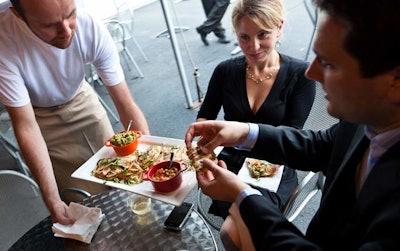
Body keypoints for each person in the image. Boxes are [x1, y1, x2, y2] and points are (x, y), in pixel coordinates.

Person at [185, 0, 400, 249]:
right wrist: (244, 131)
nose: (312, 73)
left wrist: (242, 195)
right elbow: (320, 145)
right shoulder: (361, 121)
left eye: (329, 63)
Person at [0, 0, 150, 225]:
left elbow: (125, 103)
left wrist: (148, 164)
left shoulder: (89, 25)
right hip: (38, 113)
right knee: (79, 200)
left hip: (80, 94)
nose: (66, 31)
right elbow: (25, 126)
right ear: (18, 15)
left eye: (70, 14)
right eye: (49, 25)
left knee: (120, 174)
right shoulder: (4, 39)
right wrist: (52, 201)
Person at [197, 0, 315, 224]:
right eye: (244, 37)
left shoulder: (301, 74)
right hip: (230, 161)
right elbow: (205, 116)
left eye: (263, 34)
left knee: (240, 225)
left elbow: (290, 134)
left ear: (279, 28)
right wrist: (202, 142)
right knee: (239, 226)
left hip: (275, 163)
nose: (254, 46)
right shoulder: (224, 71)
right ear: (236, 34)